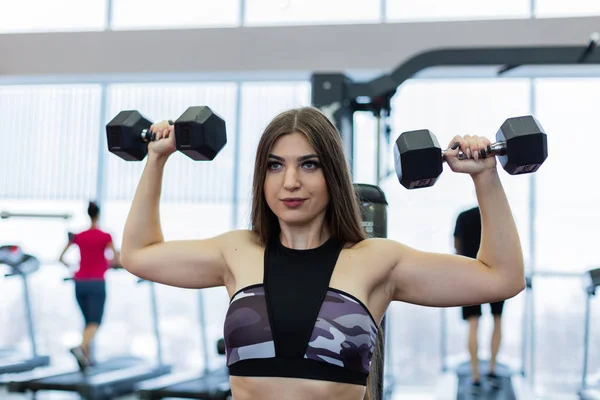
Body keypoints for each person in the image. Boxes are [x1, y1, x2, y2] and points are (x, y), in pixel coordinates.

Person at [120, 107, 525, 400]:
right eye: (275, 166)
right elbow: (138, 253)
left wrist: (485, 176)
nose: (290, 182)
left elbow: (501, 277)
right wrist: (157, 158)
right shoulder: (236, 251)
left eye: (309, 165)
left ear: (333, 174)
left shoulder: (375, 260)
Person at [59, 201, 119, 371]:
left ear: (88, 214)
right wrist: (106, 264)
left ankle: (86, 359)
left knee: (87, 323)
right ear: (98, 215)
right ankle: (80, 347)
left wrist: (72, 268)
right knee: (94, 323)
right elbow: (114, 259)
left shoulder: (79, 236)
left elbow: (61, 257)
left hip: (79, 283)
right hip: (96, 283)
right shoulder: (105, 236)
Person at [454, 206, 504, 393]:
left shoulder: (464, 216)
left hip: (470, 271)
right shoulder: (498, 214)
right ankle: (491, 370)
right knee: (497, 320)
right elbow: (507, 243)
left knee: (473, 324)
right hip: (496, 271)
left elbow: (457, 245)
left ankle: (476, 376)